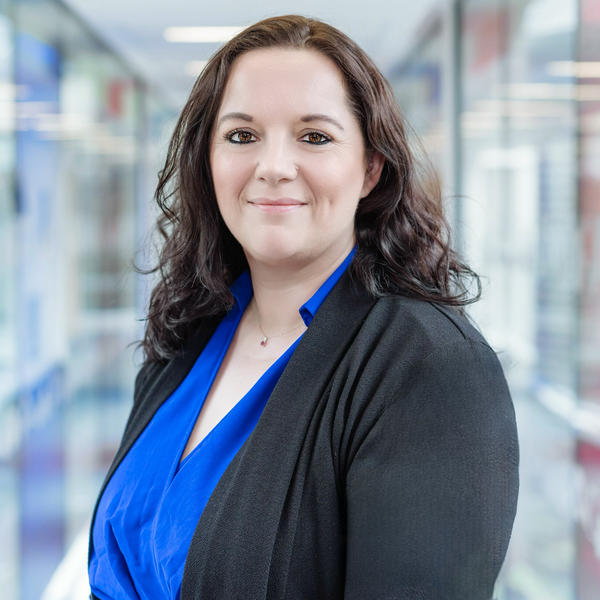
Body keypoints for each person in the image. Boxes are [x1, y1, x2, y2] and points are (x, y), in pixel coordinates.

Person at [87, 14, 519, 600]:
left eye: (314, 136)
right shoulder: (186, 337)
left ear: (371, 168)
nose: (273, 166)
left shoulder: (429, 367)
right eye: (241, 136)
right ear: (207, 162)